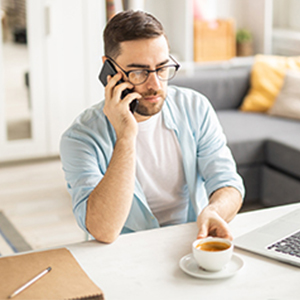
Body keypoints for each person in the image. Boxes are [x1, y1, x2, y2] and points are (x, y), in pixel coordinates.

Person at [60, 10, 244, 244]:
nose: (155, 85)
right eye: (139, 72)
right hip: (123, 250)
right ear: (109, 71)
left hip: (187, 241)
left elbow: (229, 183)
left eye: (162, 68)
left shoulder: (195, 107)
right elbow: (103, 230)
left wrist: (214, 212)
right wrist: (126, 138)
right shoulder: (80, 138)